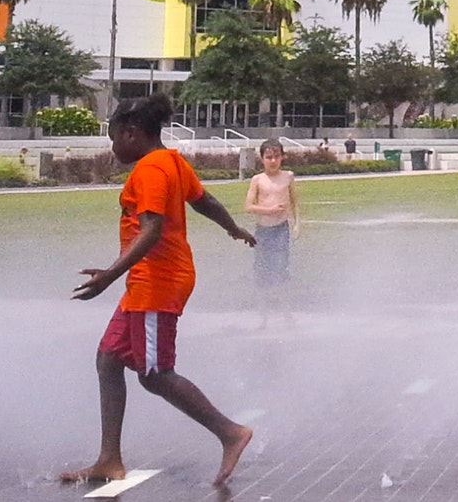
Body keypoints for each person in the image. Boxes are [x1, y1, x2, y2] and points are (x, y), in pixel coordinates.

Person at [62, 95, 258, 488]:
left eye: (114, 137)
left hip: (158, 282)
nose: (113, 146)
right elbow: (206, 201)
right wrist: (232, 228)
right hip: (146, 281)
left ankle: (230, 432)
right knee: (108, 359)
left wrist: (108, 276)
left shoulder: (151, 169)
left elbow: (151, 230)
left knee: (154, 374)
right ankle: (109, 459)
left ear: (132, 133)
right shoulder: (172, 161)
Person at [244, 139, 298, 327]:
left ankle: (286, 313)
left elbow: (294, 202)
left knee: (281, 270)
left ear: (282, 157)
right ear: (262, 159)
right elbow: (248, 206)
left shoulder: (288, 176)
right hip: (263, 232)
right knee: (262, 273)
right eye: (269, 157)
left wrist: (297, 223)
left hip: (281, 230)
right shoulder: (257, 180)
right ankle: (263, 316)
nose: (273, 161)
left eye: (276, 157)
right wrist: (269, 210)